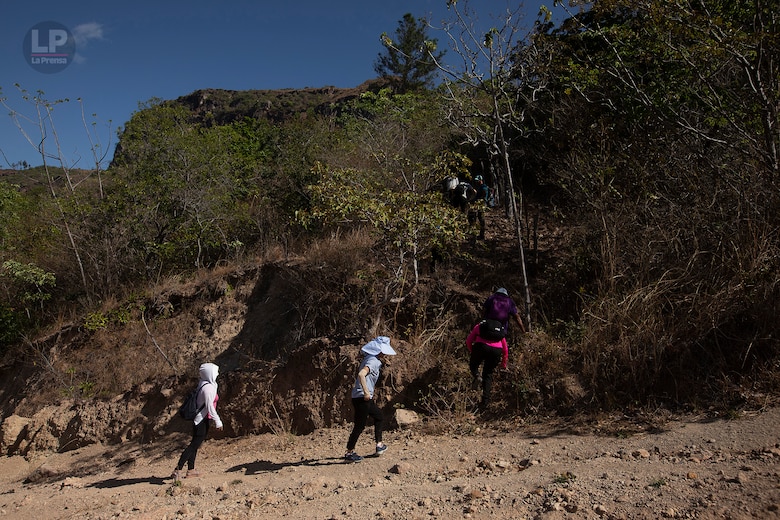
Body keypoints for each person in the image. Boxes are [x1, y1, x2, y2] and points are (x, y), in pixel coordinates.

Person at [344, 336, 396, 462]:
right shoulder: (373, 361)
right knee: (360, 425)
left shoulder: (371, 359)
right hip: (363, 397)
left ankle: (379, 445)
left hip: (361, 397)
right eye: (384, 351)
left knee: (379, 416)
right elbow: (361, 374)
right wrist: (367, 392)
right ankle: (349, 453)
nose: (385, 354)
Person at [172, 362, 223, 480]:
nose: (217, 374)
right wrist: (218, 421)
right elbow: (209, 406)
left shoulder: (204, 384)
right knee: (194, 444)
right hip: (202, 420)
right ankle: (178, 469)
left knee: (195, 443)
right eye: (215, 372)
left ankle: (191, 470)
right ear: (210, 373)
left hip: (200, 419)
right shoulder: (209, 388)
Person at [466, 321, 509, 408]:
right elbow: (505, 349)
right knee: (488, 374)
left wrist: (473, 352)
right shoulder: (499, 330)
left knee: (473, 365)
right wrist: (503, 363)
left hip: (481, 347)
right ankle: (485, 403)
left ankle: (477, 375)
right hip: (496, 350)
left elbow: (468, 341)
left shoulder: (479, 326)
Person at [468, 175, 489, 239]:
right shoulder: (480, 187)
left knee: (481, 219)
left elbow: (484, 195)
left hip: (481, 204)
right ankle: (475, 232)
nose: (476, 182)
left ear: (481, 180)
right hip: (478, 204)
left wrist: (481, 201)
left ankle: (482, 235)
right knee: (474, 216)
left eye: (477, 180)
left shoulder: (484, 187)